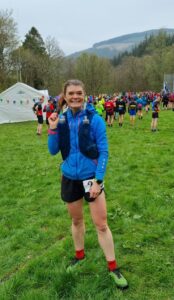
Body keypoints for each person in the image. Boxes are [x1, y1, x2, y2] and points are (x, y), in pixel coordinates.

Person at [48, 79, 128, 289]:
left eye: (79, 93)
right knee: (76, 222)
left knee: (101, 225)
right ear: (64, 96)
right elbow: (53, 150)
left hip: (91, 178)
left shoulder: (95, 119)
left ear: (85, 94)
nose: (75, 96)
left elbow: (104, 151)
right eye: (71, 93)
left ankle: (113, 267)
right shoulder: (62, 119)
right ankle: (80, 256)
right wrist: (53, 129)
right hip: (69, 178)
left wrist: (98, 180)